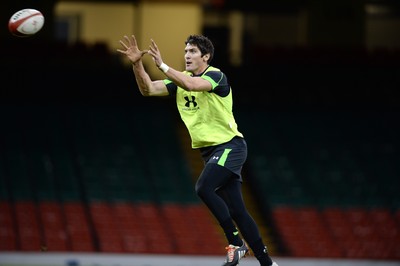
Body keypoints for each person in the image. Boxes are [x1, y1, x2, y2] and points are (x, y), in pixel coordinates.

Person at [117, 34, 278, 266]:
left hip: (229, 146)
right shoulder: (181, 80)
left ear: (206, 56)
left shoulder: (215, 75)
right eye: (185, 52)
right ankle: (267, 263)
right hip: (209, 152)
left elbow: (192, 84)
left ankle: (236, 242)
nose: (187, 56)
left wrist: (162, 64)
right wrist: (137, 63)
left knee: (203, 187)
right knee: (238, 211)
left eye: (192, 52)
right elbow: (148, 89)